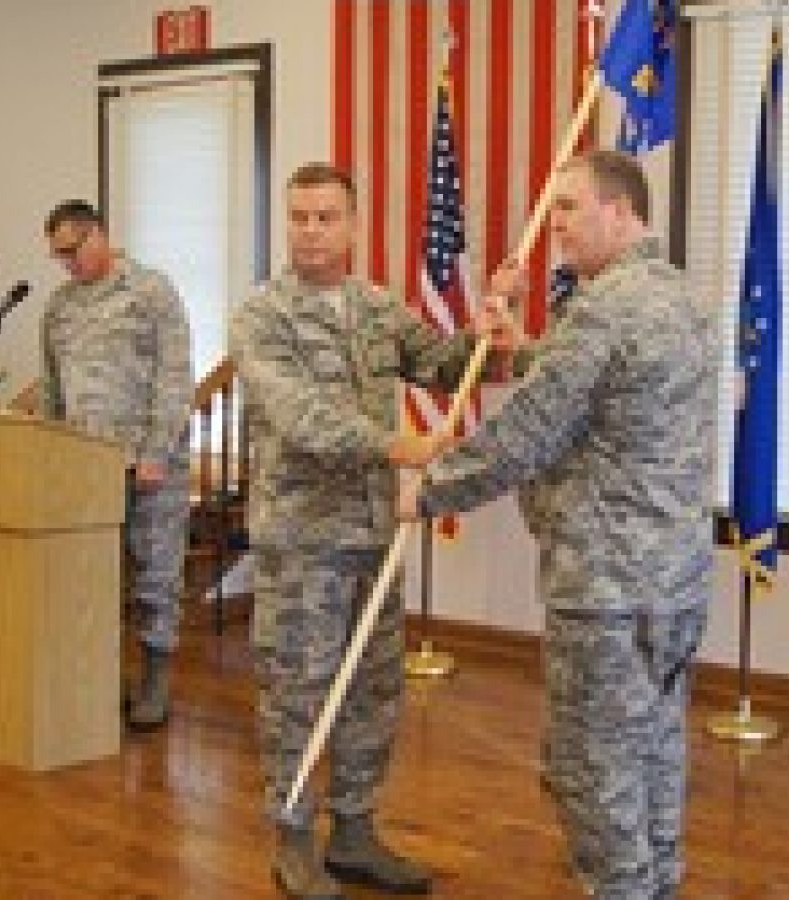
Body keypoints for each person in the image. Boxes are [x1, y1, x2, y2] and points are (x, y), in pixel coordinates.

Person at [400, 150, 718, 900]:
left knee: (593, 771)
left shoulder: (604, 307)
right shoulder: (679, 298)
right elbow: (612, 385)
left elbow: (528, 434)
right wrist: (528, 352)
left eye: (569, 208)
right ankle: (656, 885)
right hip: (672, 583)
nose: (555, 228)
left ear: (619, 210)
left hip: (605, 587)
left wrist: (428, 491)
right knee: (654, 754)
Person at [229, 162, 497, 900]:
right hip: (301, 544)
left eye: (326, 217)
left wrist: (489, 335)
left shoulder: (377, 308)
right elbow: (295, 414)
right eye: (299, 217)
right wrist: (392, 446)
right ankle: (292, 839)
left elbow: (444, 365)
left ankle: (353, 833)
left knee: (373, 692)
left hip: (374, 536)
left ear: (352, 224)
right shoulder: (262, 316)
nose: (311, 231)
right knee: (297, 694)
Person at [41, 200, 192, 731]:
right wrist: (53, 456)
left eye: (74, 249)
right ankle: (102, 679)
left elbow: (176, 378)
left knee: (156, 574)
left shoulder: (150, 290)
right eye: (58, 254)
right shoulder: (60, 307)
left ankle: (155, 681)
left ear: (99, 234)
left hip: (150, 466)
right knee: (96, 579)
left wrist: (155, 453)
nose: (68, 262)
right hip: (87, 467)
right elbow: (54, 392)